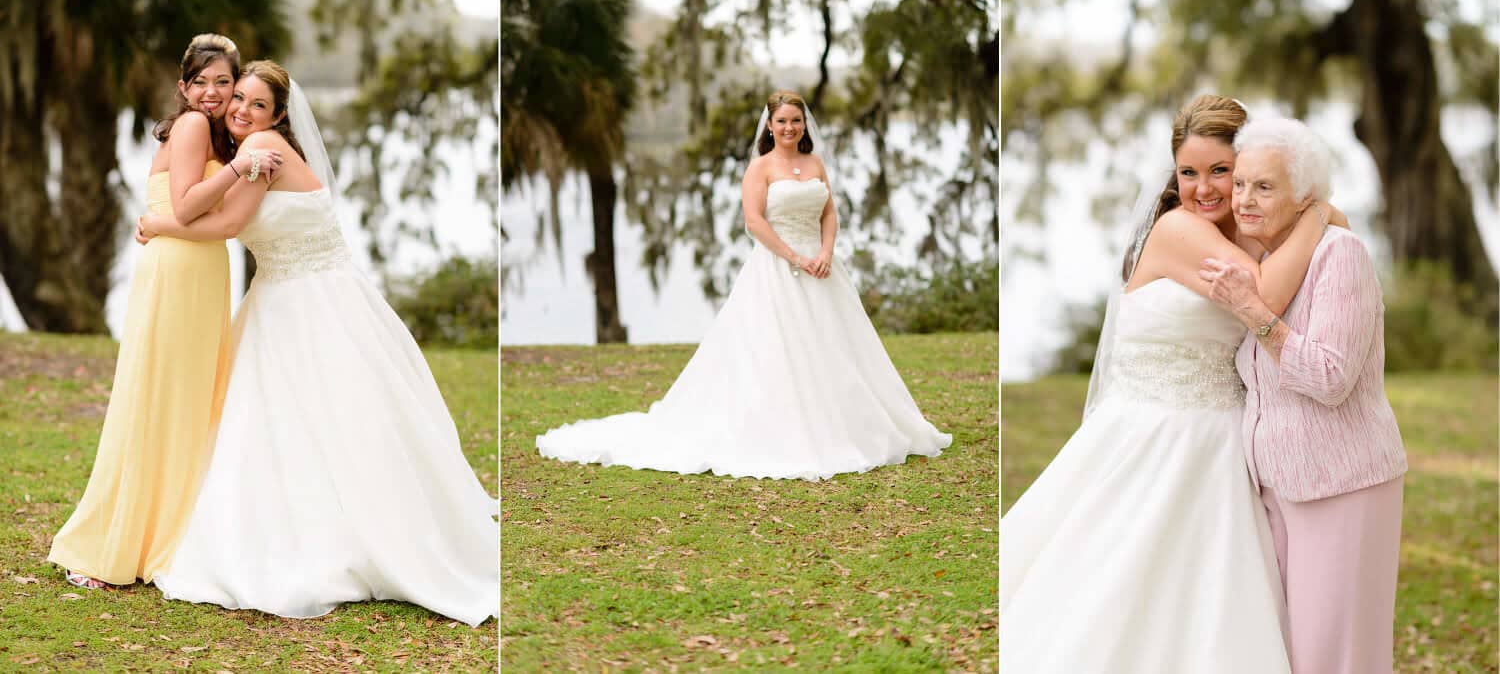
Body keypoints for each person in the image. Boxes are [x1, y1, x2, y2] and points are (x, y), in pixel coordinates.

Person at [135, 60, 498, 626]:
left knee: (327, 418)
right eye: (238, 99)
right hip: (297, 293)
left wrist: (160, 225)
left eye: (257, 104)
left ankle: (351, 537)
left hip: (306, 301)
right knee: (295, 423)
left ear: (278, 115)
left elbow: (225, 226)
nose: (240, 110)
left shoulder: (262, 151)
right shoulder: (253, 151)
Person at [999, 95, 1344, 671]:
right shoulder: (1180, 229)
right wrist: (1315, 214)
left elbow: (1329, 247)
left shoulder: (1245, 232)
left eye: (1220, 171)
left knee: (1209, 597)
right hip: (1158, 427)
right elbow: (1263, 295)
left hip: (1222, 438)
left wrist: (1314, 220)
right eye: (1189, 172)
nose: (1204, 189)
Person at [534, 90, 951, 480]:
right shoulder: (760, 167)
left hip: (822, 269)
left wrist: (824, 252)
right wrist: (796, 257)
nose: (790, 128)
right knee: (779, 350)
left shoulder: (815, 165)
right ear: (770, 126)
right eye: (782, 121)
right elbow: (755, 222)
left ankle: (851, 425)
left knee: (838, 346)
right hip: (778, 268)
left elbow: (828, 213)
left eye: (796, 121)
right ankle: (787, 429)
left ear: (805, 125)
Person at [48, 34, 282, 589]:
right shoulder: (196, 127)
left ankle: (165, 531)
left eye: (222, 82)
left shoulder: (219, 134)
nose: (211, 93)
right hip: (179, 271)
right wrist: (241, 168)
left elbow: (190, 215)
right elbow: (184, 205)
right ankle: (120, 545)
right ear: (182, 87)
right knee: (161, 400)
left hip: (197, 270)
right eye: (200, 82)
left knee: (182, 402)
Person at [1199, 117, 1407, 674]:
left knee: (1337, 660)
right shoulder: (1266, 262)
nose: (1243, 198)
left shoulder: (1341, 256)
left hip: (1344, 484)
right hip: (1277, 490)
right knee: (1287, 653)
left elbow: (1330, 378)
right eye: (1240, 183)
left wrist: (1255, 315)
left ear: (1303, 198)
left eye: (1264, 187)